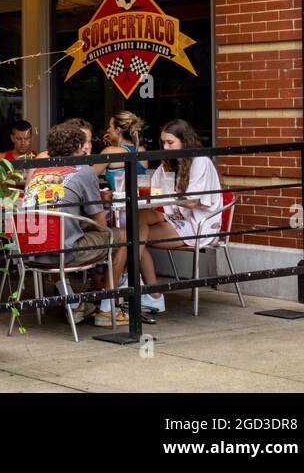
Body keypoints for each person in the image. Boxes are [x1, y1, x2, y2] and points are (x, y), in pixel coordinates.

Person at [21, 122, 129, 327]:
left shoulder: (38, 170)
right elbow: (99, 223)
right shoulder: (84, 170)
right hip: (62, 254)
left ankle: (73, 304)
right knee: (122, 237)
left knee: (60, 234)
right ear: (79, 147)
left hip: (30, 250)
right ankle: (107, 310)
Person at [134, 119, 224, 314]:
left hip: (198, 224)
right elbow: (153, 190)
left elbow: (191, 202)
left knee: (132, 238)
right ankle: (150, 291)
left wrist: (162, 198)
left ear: (185, 141)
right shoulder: (168, 162)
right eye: (163, 143)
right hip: (176, 217)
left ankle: (136, 283)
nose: (165, 147)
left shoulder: (200, 160)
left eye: (170, 142)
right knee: (137, 223)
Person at [99, 111, 146, 192]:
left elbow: (88, 176)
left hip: (121, 202)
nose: (108, 130)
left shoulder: (110, 151)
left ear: (117, 130)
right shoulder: (141, 150)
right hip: (139, 201)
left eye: (110, 127)